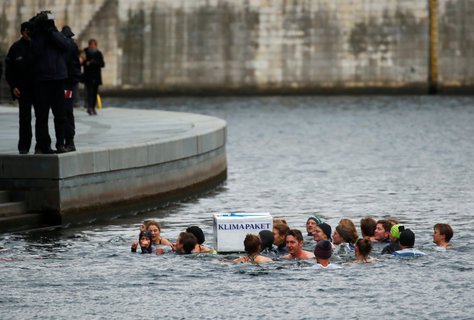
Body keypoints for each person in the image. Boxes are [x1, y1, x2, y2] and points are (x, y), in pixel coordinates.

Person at [29, 11, 70, 154]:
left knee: (60, 115)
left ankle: (61, 144)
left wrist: (51, 32)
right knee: (42, 116)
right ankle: (42, 145)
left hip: (58, 80)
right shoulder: (37, 36)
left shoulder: (55, 34)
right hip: (42, 81)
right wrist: (41, 32)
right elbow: (36, 51)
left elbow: (66, 45)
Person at [5, 22, 34, 154]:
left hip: (38, 87)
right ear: (22, 32)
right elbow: (9, 70)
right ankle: (24, 146)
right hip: (23, 89)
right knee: (24, 119)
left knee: (41, 118)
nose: (29, 34)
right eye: (27, 31)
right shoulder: (16, 48)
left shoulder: (37, 45)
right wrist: (13, 86)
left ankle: (42, 144)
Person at [61, 26, 81, 152]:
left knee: (65, 111)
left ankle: (67, 141)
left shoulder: (66, 47)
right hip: (69, 84)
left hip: (66, 84)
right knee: (67, 111)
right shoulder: (73, 46)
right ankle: (68, 141)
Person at [82, 38, 104, 115]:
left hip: (96, 76)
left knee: (95, 93)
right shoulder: (85, 52)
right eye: (91, 45)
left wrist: (94, 62)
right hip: (88, 76)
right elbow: (82, 62)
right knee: (89, 93)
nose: (93, 46)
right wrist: (87, 63)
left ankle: (93, 107)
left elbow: (102, 64)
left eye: (94, 45)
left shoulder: (99, 53)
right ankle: (89, 107)